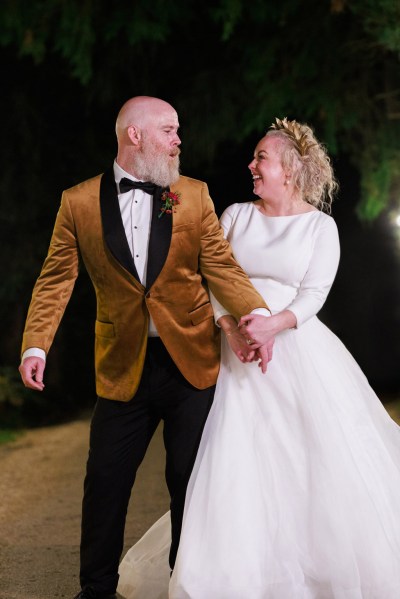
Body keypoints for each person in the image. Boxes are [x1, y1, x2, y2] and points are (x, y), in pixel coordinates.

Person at [117, 117, 400, 599]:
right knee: (233, 460)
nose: (251, 165)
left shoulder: (319, 226)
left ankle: (316, 571)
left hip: (297, 354)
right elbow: (208, 275)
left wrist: (273, 323)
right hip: (232, 355)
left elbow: (314, 293)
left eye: (260, 158)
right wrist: (231, 325)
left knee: (309, 460)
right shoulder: (235, 216)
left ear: (288, 170)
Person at [18, 96, 275, 599]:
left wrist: (258, 315)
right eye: (169, 130)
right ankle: (96, 589)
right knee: (105, 482)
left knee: (189, 484)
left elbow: (221, 266)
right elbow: (55, 280)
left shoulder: (193, 195)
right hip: (122, 366)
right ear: (134, 135)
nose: (179, 139)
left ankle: (186, 586)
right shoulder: (77, 203)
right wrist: (36, 346)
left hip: (191, 363)